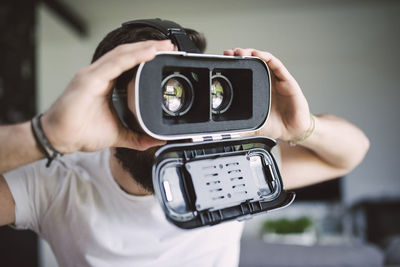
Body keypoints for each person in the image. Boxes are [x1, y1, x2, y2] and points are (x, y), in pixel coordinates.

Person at [0, 21, 370, 267]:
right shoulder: (59, 182)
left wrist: (302, 128)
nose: (179, 134)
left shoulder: (229, 163)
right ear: (110, 102)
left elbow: (350, 154)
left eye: (183, 97)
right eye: (160, 96)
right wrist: (47, 136)